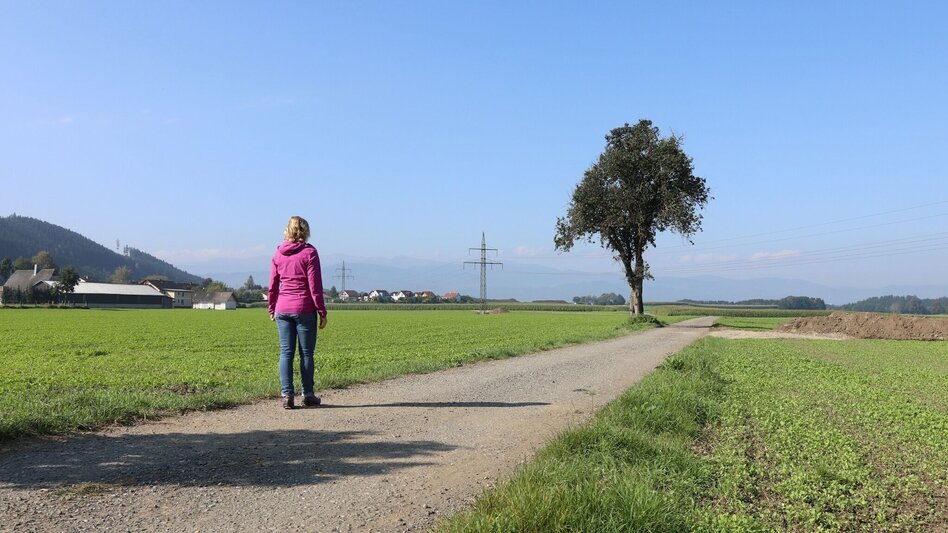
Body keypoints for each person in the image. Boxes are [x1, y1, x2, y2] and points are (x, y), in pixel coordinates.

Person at [268, 215, 328, 409]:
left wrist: (272, 308)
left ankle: (287, 395)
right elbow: (315, 286)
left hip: (282, 308)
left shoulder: (278, 253)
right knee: (306, 353)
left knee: (286, 353)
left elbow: (272, 285)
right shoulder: (309, 252)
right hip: (304, 308)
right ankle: (308, 394)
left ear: (288, 230)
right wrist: (322, 311)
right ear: (306, 231)